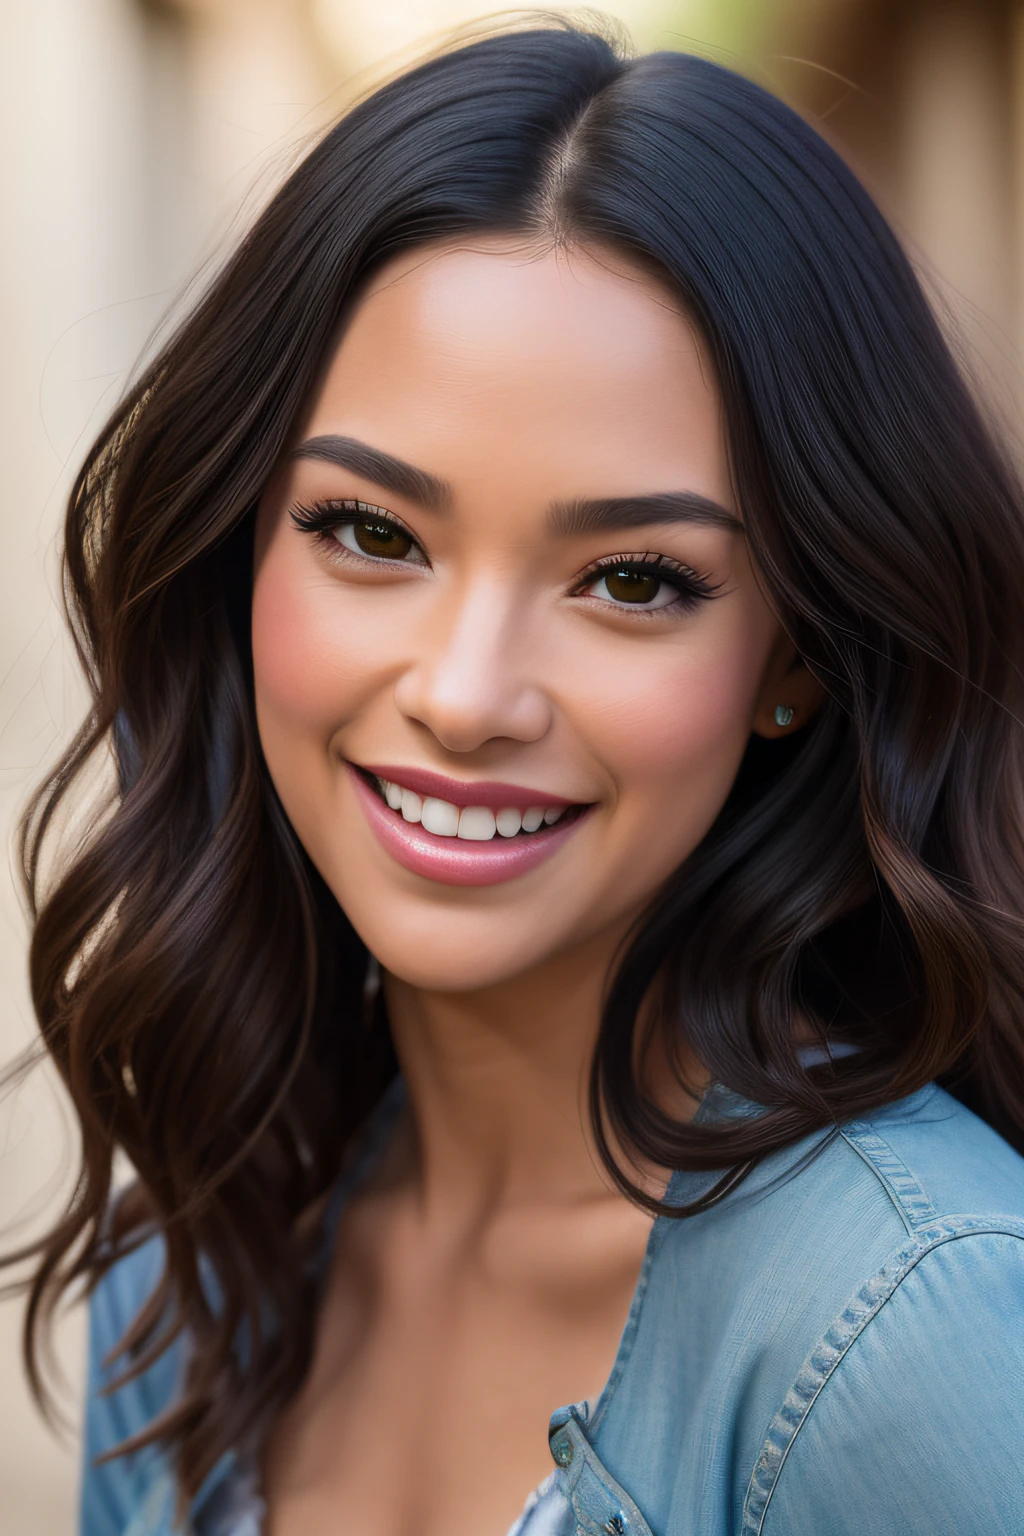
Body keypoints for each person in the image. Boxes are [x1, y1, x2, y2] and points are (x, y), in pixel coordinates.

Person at [12, 19, 1024, 1536]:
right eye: (371, 534)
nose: (466, 695)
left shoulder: (916, 1321)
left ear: (800, 657)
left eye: (630, 577)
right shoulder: (197, 1255)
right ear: (232, 553)